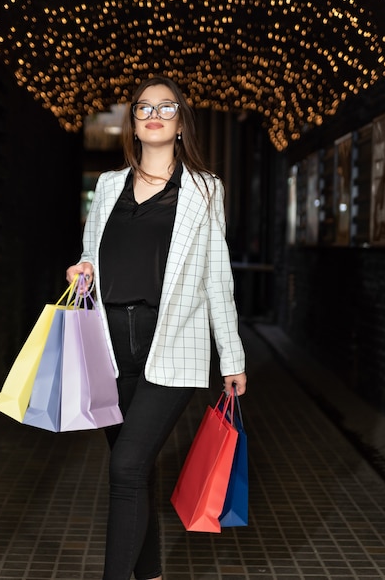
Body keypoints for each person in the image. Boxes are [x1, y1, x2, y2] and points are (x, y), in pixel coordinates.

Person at [66, 75, 247, 580]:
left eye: (166, 108)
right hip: (107, 347)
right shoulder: (106, 186)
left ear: (182, 124)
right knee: (135, 469)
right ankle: (150, 573)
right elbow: (91, 254)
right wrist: (81, 271)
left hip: (171, 348)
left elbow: (218, 278)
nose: (153, 114)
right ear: (134, 123)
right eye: (144, 107)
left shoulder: (205, 191)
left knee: (124, 469)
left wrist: (231, 357)